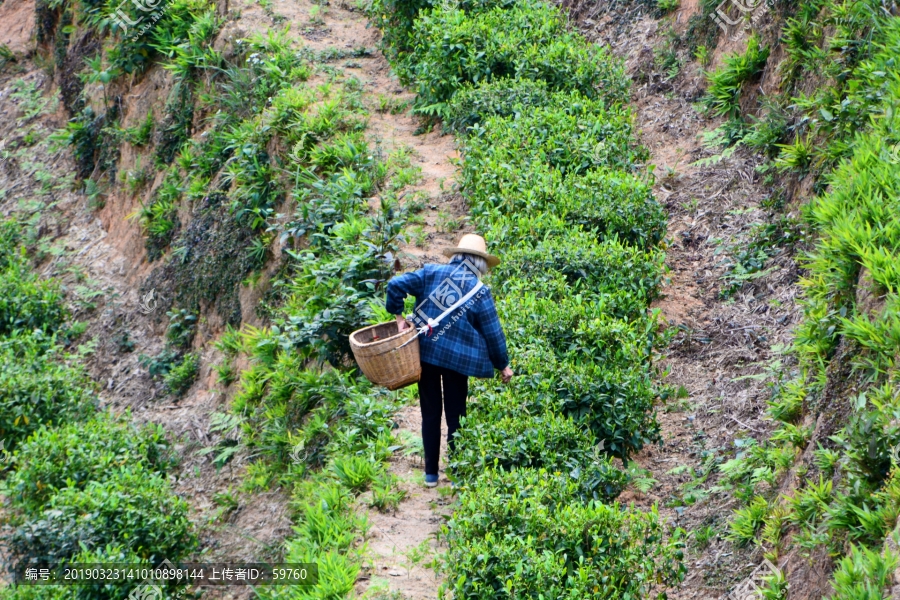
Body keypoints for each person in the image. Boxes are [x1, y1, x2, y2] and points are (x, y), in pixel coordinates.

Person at [386, 234, 513, 487]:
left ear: (456, 256)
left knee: (430, 413)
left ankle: (430, 475)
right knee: (457, 415)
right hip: (458, 363)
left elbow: (394, 286)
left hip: (427, 356)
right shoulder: (479, 291)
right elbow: (492, 331)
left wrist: (399, 318)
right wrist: (503, 364)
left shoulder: (431, 272)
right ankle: (456, 475)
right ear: (480, 264)